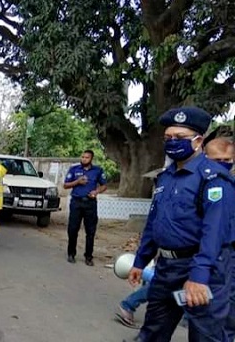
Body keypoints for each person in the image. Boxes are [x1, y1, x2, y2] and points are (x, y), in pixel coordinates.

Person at [128, 106, 235, 341]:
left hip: (202, 269)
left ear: (198, 141)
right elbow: (155, 222)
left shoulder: (213, 178)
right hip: (167, 268)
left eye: (180, 138)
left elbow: (214, 232)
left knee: (205, 336)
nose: (172, 142)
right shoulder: (166, 177)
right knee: (152, 332)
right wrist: (140, 260)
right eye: (168, 138)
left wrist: (198, 276)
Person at [204, 137, 235, 340]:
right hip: (214, 251)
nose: (222, 164)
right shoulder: (208, 184)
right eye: (217, 159)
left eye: (227, 159)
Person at [63, 149, 107, 265]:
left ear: (91, 158)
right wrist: (77, 182)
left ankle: (88, 257)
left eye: (86, 157)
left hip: (90, 204)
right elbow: (65, 185)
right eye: (82, 157)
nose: (83, 159)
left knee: (90, 231)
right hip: (76, 203)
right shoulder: (74, 169)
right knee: (72, 229)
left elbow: (104, 186)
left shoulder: (97, 170)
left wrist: (96, 191)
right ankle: (71, 254)